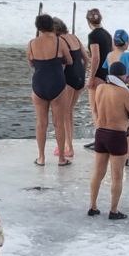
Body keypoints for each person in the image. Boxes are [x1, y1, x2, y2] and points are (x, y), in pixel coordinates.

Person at [89, 61, 129, 220]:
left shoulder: (100, 88)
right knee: (117, 176)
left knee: (98, 173)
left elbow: (96, 110)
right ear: (123, 76)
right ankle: (113, 210)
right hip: (116, 136)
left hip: (101, 133)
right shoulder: (124, 92)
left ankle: (93, 206)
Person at [27, 13, 71, 166]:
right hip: (57, 83)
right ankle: (61, 159)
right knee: (59, 123)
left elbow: (31, 63)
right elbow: (70, 60)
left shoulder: (32, 43)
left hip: (39, 84)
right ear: (52, 26)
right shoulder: (59, 41)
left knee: (41, 123)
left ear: (38, 27)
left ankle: (41, 157)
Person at [52, 18, 85, 161]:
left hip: (69, 78)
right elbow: (86, 58)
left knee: (64, 114)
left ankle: (69, 148)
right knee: (69, 112)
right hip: (80, 77)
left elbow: (60, 61)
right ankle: (67, 145)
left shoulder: (60, 41)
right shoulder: (74, 37)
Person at [81, 8, 114, 150]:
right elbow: (112, 54)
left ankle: (99, 141)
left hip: (98, 76)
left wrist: (91, 77)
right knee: (104, 110)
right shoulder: (107, 34)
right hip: (107, 75)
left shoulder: (93, 36)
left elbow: (95, 57)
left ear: (89, 21)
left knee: (95, 110)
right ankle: (103, 139)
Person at [106, 29, 129, 166]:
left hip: (111, 89)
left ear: (114, 42)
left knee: (113, 121)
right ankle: (128, 157)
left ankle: (112, 151)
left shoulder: (109, 55)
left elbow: (106, 71)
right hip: (127, 89)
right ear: (126, 43)